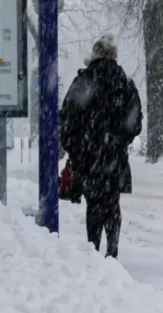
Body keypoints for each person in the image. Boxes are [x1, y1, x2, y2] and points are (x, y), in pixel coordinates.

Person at [60, 35, 142, 258]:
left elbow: (67, 120)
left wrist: (76, 148)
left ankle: (93, 252)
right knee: (112, 203)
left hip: (88, 158)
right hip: (114, 158)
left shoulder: (83, 82)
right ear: (114, 56)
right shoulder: (124, 83)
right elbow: (135, 124)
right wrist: (119, 140)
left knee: (93, 204)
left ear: (95, 55)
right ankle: (112, 251)